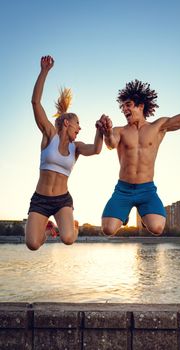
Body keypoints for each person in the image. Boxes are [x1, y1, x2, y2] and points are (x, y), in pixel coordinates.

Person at [100, 56, 180, 236]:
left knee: (157, 228)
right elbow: (111, 144)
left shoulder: (158, 126)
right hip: (123, 189)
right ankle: (125, 215)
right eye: (122, 107)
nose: (124, 110)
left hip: (147, 189)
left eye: (128, 105)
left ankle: (144, 216)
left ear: (141, 105)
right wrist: (106, 132)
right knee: (108, 230)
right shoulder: (120, 130)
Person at [25, 55, 104, 250]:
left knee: (68, 238)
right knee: (32, 244)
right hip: (40, 199)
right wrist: (44, 71)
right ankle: (47, 229)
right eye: (78, 123)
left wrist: (100, 131)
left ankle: (73, 226)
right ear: (67, 123)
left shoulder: (75, 148)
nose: (80, 128)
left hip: (62, 200)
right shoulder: (49, 135)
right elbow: (36, 103)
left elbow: (96, 149)